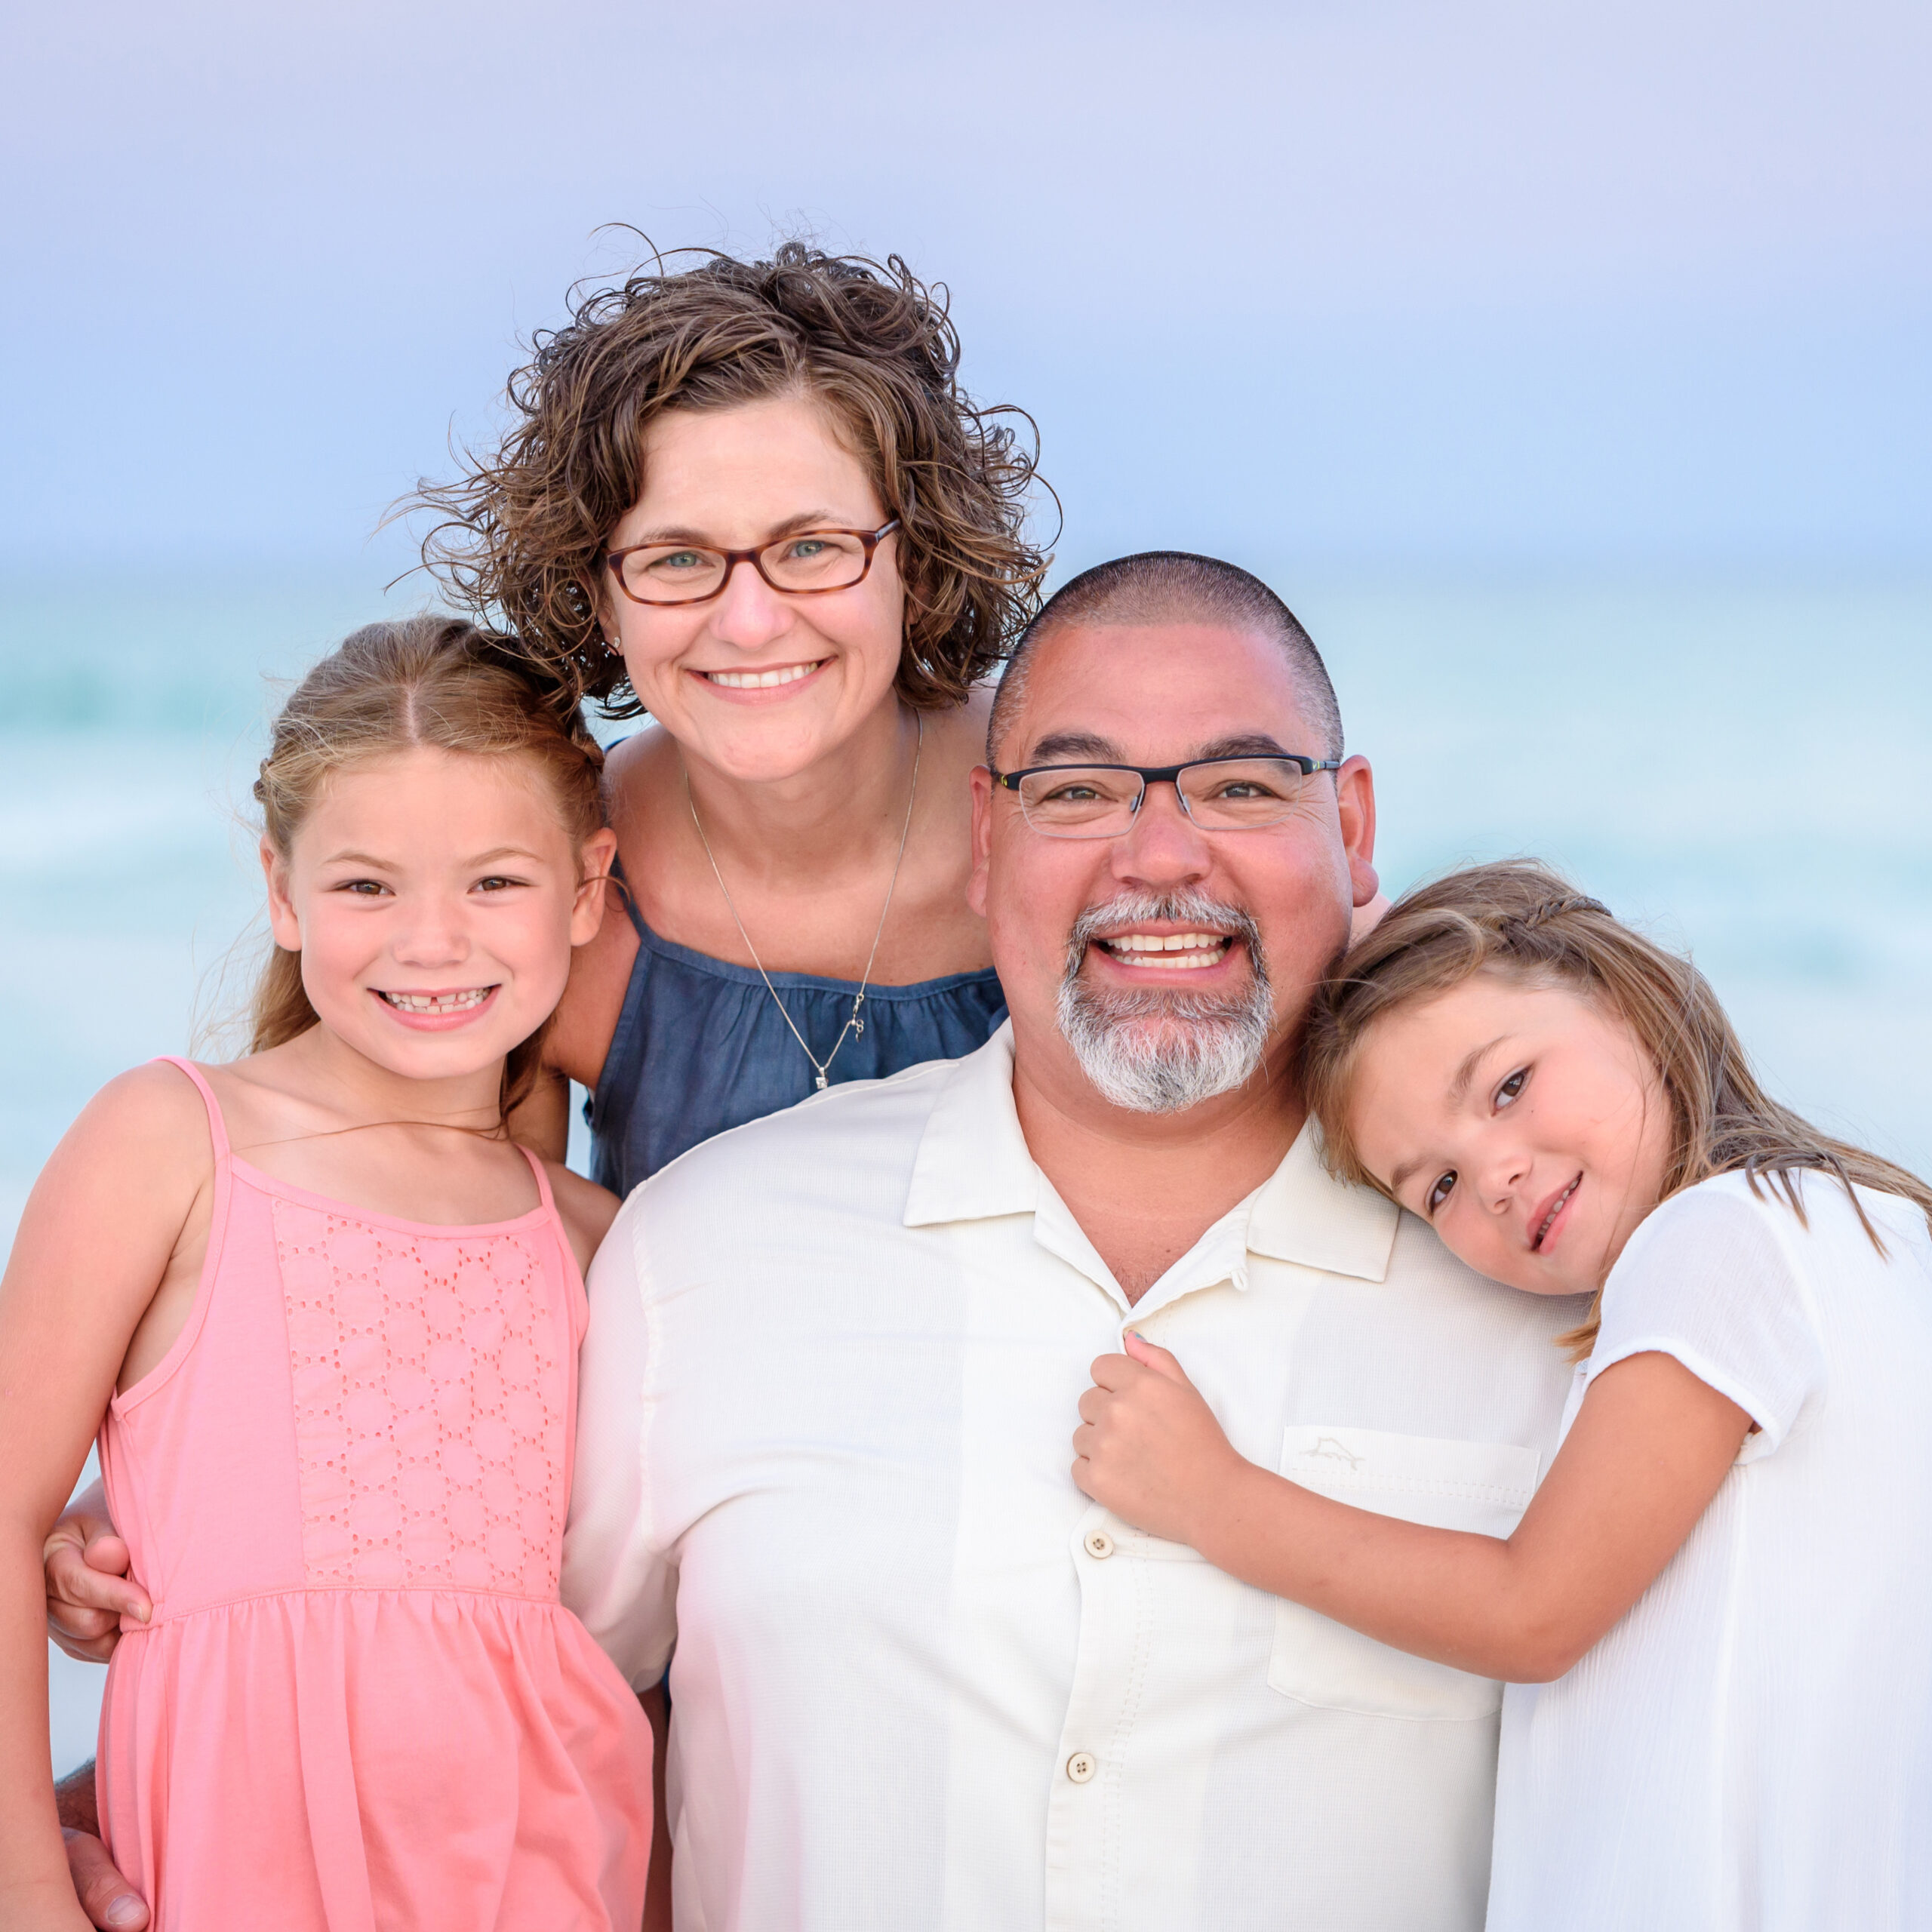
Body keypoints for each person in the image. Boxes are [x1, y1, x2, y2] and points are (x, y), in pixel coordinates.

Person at [548, 552, 1587, 1930]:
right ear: (986, 842)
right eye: (1079, 792)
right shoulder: (704, 1251)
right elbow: (550, 1719)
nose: (1159, 860)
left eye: (1239, 786)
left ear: (1352, 825)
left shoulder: (1557, 1298)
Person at [1073, 860, 1932, 1930]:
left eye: (1508, 1085)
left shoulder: (1718, 1238)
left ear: (1626, 992)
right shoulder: (1873, 1235)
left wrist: (1211, 1498)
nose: (1492, 1177)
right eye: (1433, 1186)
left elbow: (1534, 1613)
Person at [3, 620, 654, 1930]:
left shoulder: (595, 1237)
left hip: (538, 1872)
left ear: (588, 888)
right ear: (282, 890)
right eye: (366, 887)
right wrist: (25, 1889)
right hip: (231, 1870)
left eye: (494, 884)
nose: (430, 942)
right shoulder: (172, 1139)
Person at [416, 241, 1051, 1194]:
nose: (749, 623)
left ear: (914, 559)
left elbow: (1343, 986)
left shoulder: (1083, 796)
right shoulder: (552, 889)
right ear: (599, 594)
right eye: (676, 558)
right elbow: (489, 1275)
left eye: (811, 546)